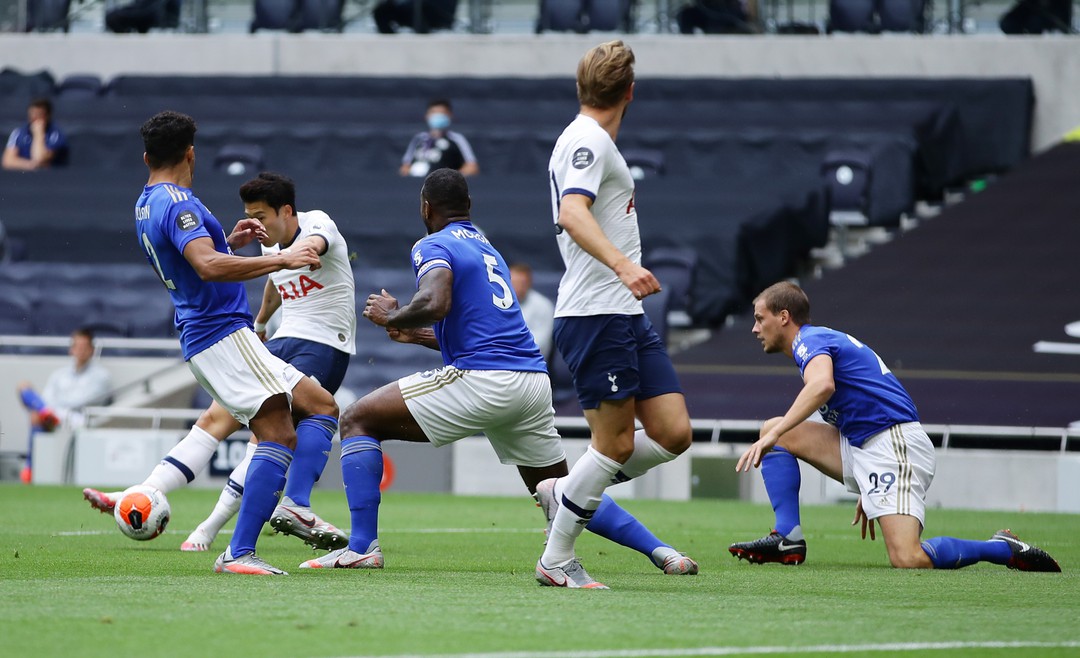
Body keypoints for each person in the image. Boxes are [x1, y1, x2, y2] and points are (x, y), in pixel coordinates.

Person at [298, 168, 697, 584]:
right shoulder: (488, 249)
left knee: (357, 419)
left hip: (484, 381)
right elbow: (480, 331)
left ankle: (361, 548)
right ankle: (663, 551)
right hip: (530, 383)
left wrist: (390, 315)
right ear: (468, 207)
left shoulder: (432, 244)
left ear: (425, 207)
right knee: (560, 488)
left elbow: (435, 300)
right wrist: (415, 334)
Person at [82, 171, 356, 554]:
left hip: (324, 345)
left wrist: (288, 255)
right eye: (251, 216)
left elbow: (312, 246)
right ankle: (145, 491)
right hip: (279, 341)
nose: (257, 225)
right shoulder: (268, 245)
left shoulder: (317, 223)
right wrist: (261, 323)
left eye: (262, 216)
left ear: (287, 211)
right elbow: (276, 285)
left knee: (268, 436)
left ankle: (211, 527)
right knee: (212, 422)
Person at [127, 111, 339, 576]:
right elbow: (205, 266)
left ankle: (295, 505)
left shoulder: (147, 202)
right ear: (190, 154)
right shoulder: (177, 203)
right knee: (279, 433)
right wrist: (280, 257)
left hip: (218, 332)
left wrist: (229, 243)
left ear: (147, 157)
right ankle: (239, 551)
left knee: (320, 405)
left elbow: (196, 261)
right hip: (219, 333)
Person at [729, 281, 1061, 572]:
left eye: (760, 318)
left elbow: (822, 386)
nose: (755, 328)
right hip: (867, 445)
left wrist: (773, 435)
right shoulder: (816, 342)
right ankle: (787, 537)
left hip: (894, 445)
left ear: (784, 317)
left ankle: (1002, 548)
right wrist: (868, 485)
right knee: (780, 431)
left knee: (907, 558)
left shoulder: (808, 341)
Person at [536, 40, 694, 589]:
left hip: (623, 314)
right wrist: (625, 266)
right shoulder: (587, 141)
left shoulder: (593, 139)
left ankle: (570, 488)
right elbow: (572, 212)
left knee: (674, 432)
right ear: (631, 92)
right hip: (594, 310)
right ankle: (557, 559)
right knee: (616, 445)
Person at [16, 327, 112, 483]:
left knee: (38, 415)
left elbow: (84, 402)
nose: (80, 351)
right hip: (54, 414)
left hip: (77, 419)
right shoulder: (59, 374)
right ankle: (44, 413)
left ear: (92, 350)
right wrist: (46, 408)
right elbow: (47, 397)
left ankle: (29, 468)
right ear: (71, 350)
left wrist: (52, 408)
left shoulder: (101, 376)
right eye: (77, 347)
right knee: (23, 386)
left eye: (84, 347)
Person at [398, 99, 479, 179]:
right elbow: (404, 167)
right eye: (434, 112)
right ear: (427, 116)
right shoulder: (419, 139)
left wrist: (448, 180)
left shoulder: (457, 139)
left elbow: (472, 168)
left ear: (450, 115)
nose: (437, 116)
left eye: (442, 113)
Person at [3, 98, 68, 171]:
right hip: (22, 176)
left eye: (39, 114)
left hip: (48, 178)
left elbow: (39, 158)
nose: (34, 118)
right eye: (32, 114)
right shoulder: (18, 132)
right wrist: (30, 165)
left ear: (48, 116)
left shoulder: (56, 134)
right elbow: (7, 161)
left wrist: (38, 134)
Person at [509, 261, 554, 362]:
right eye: (513, 283)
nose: (517, 287)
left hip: (532, 363)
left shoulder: (543, 305)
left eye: (521, 283)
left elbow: (541, 344)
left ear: (529, 283)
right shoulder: (497, 303)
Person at [373, 0, 458, 34]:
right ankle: (391, 44)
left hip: (438, 10)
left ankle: (424, 44)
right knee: (381, 11)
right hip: (413, 7)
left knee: (416, 10)